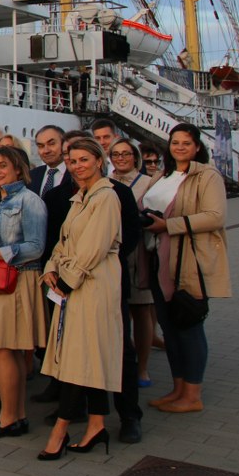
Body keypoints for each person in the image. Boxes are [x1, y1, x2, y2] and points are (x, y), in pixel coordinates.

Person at [38, 138, 123, 460]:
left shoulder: (106, 198)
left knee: (78, 360)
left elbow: (93, 248)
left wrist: (65, 280)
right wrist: (50, 269)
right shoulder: (80, 198)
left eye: (84, 160)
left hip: (93, 286)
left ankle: (60, 430)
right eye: (72, 161)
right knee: (89, 356)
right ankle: (97, 425)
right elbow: (63, 240)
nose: (77, 166)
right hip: (74, 285)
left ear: (99, 161)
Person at [144, 123, 231, 415]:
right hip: (159, 258)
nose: (179, 147)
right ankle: (178, 388)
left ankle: (193, 394)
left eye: (186, 143)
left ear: (197, 147)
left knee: (189, 325)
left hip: (188, 261)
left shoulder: (207, 175)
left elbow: (215, 216)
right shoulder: (164, 175)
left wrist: (169, 225)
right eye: (175, 142)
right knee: (169, 326)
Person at [0, 146, 47, 438]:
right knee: (5, 352)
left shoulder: (30, 201)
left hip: (17, 281)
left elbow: (36, 247)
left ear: (19, 168)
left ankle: (9, 418)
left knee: (5, 351)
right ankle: (15, 416)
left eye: (3, 165)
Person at [110, 139, 157, 386]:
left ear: (135, 157)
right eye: (115, 154)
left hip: (137, 253)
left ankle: (143, 368)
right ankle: (120, 363)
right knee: (118, 313)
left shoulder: (148, 184)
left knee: (140, 311)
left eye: (125, 154)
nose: (120, 158)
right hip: (113, 254)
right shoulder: (106, 181)